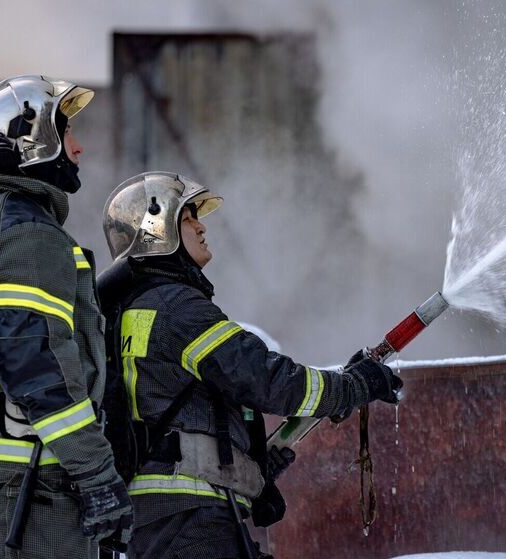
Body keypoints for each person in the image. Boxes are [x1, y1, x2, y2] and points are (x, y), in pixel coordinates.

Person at [99, 171, 402, 559]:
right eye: (188, 218)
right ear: (157, 230)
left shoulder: (133, 311)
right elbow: (263, 380)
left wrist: (251, 468)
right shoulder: (175, 307)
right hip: (191, 520)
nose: (201, 226)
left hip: (162, 519)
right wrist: (353, 387)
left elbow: (180, 414)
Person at [0, 75, 133, 558]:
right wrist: (95, 470)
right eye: (67, 131)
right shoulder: (30, 232)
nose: (79, 147)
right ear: (34, 139)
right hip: (34, 477)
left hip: (0, 470)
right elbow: (37, 364)